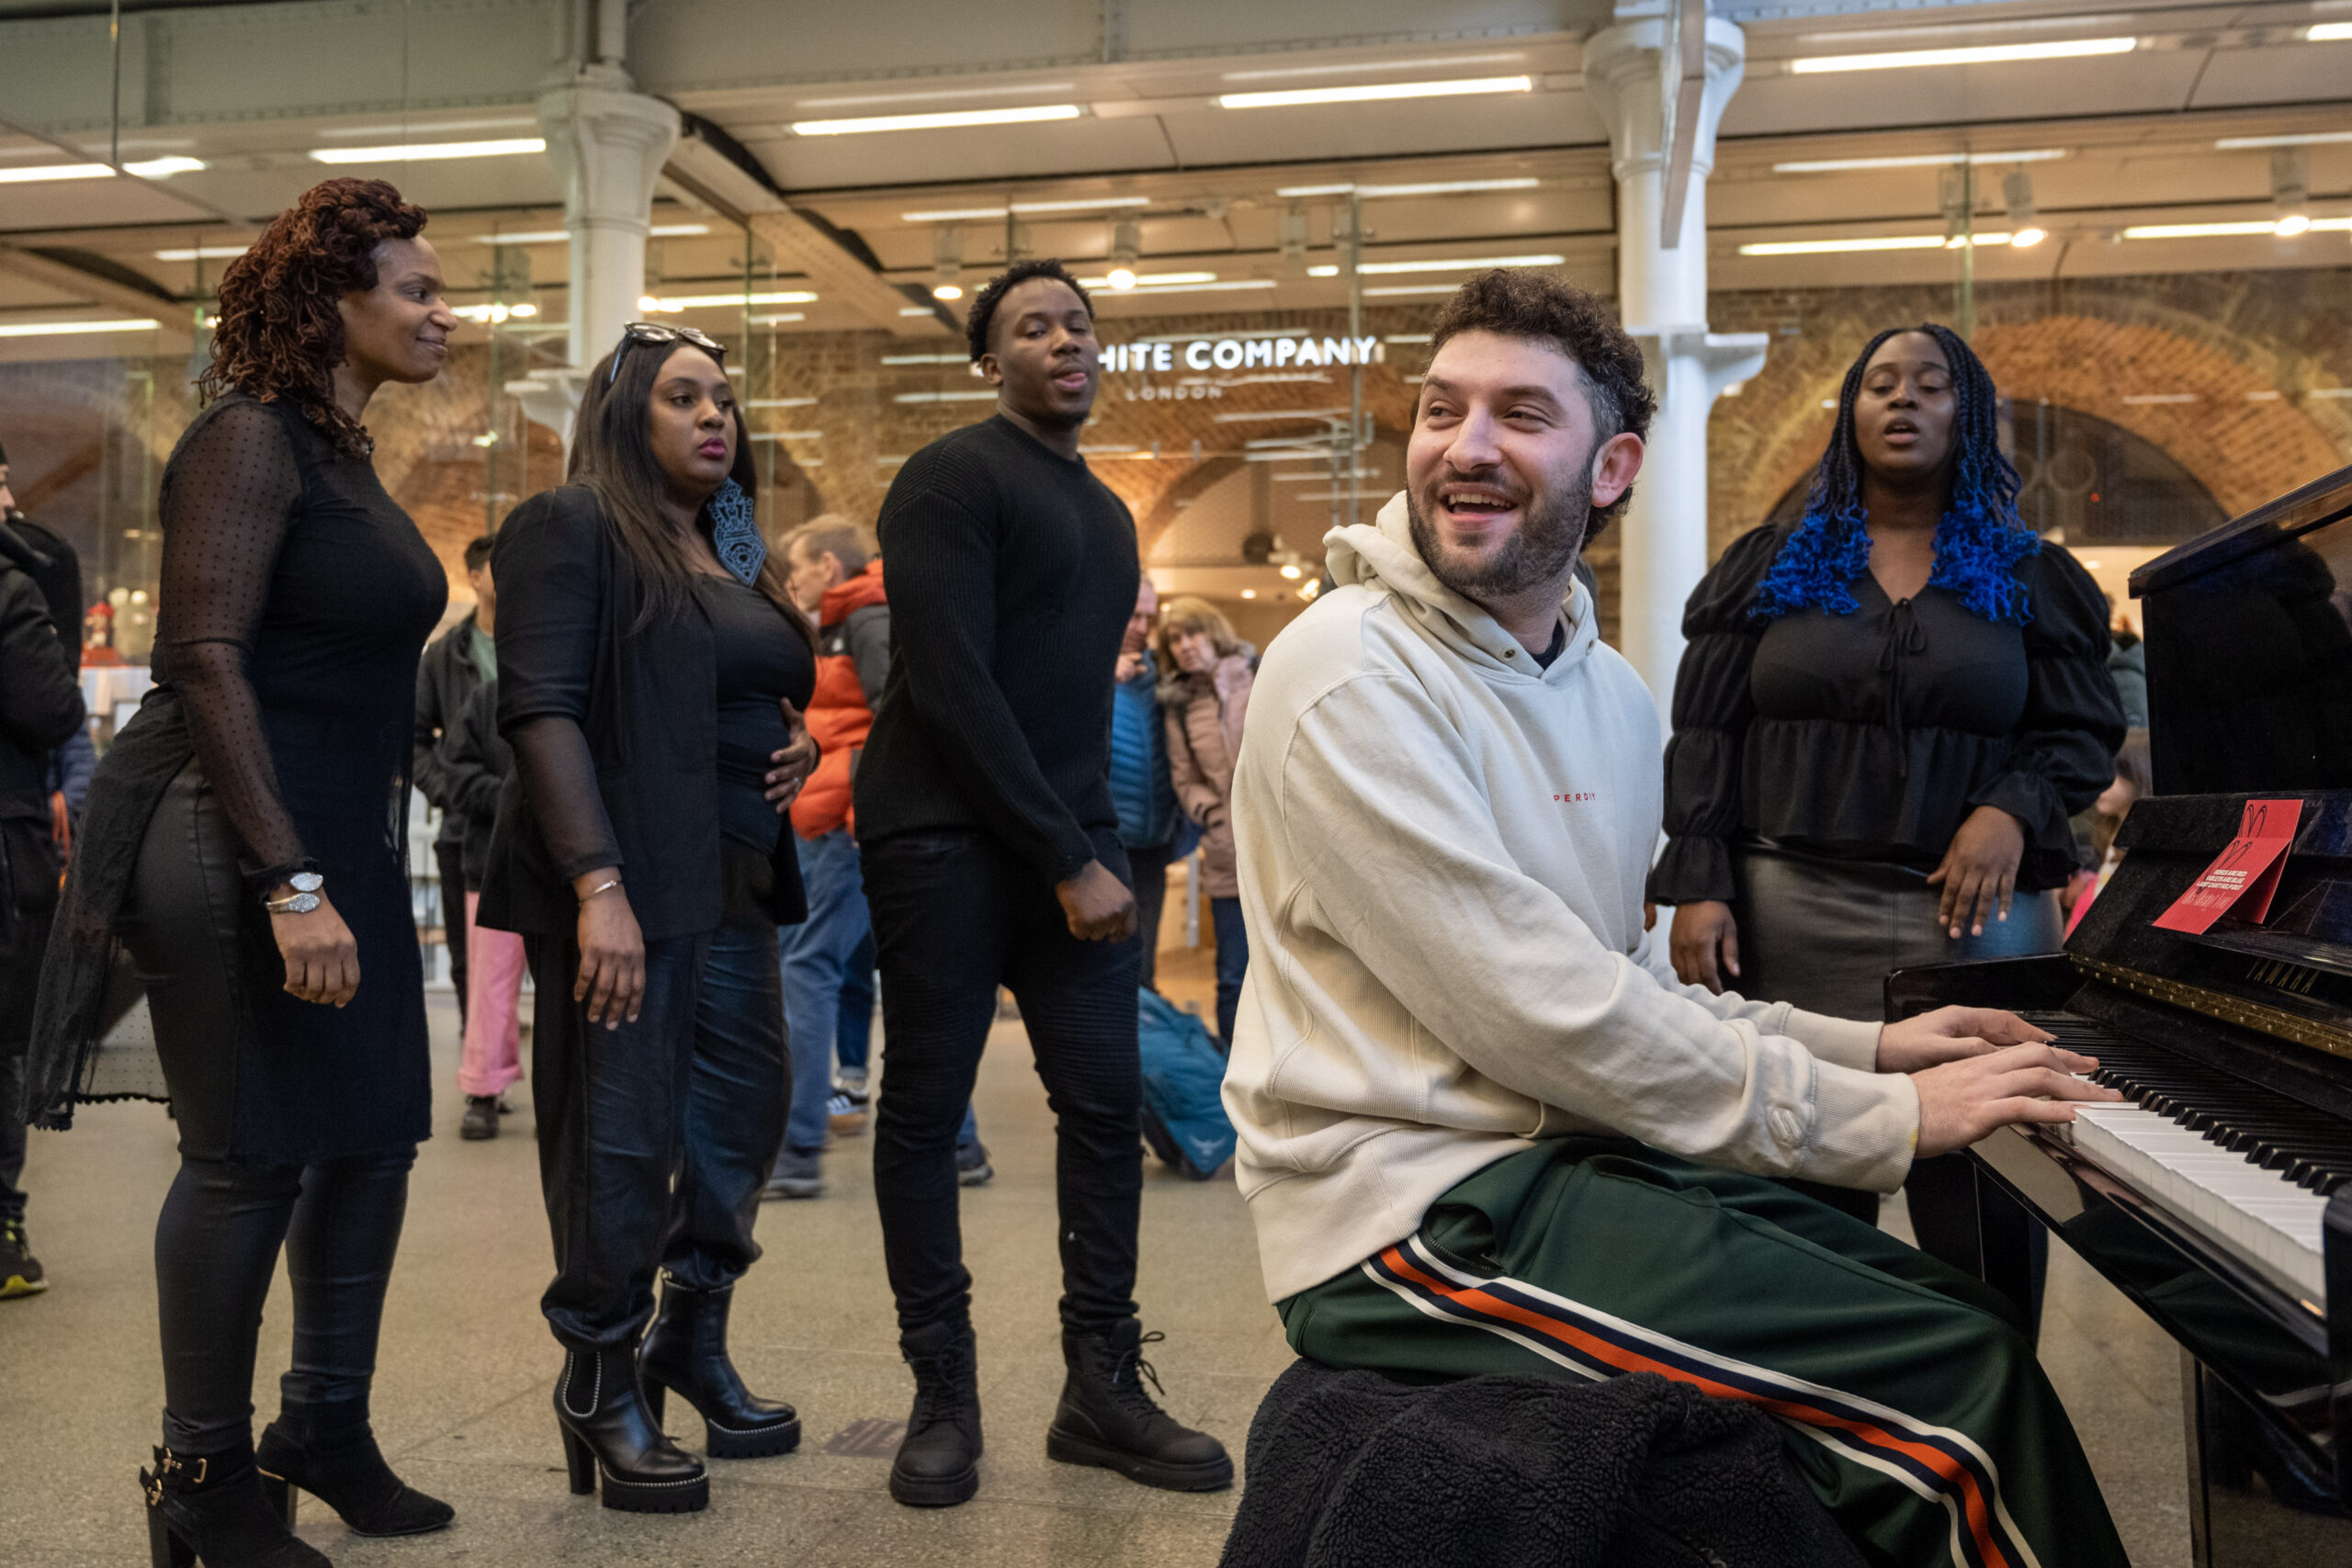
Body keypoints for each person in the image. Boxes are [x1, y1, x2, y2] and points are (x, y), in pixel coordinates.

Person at [1221, 268, 2131, 1568]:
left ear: (1613, 464)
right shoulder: (1347, 670)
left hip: (1557, 1162)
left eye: (1521, 415)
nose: (1465, 446)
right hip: (1407, 1219)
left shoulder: (1606, 686)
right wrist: (1887, 1120)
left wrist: (1871, 1050)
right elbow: (1545, 1010)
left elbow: (1631, 969)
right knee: (1963, 1380)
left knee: (1946, 1301)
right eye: (1440, 409)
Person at [27, 178, 460, 1566]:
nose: (444, 310)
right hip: (230, 831)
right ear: (333, 304)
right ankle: (202, 1478)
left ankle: (322, 1423)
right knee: (247, 1154)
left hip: (330, 832)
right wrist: (290, 881)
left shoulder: (341, 451)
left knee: (373, 1130)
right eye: (417, 288)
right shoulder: (247, 438)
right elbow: (204, 655)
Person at [854, 258, 1229, 1509]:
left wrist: (1101, 846)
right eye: (1034, 325)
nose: (1066, 339)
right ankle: (943, 1393)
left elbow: (1072, 705)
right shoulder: (950, 478)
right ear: (988, 358)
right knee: (923, 1109)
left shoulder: (1109, 512)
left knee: (1104, 1102)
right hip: (943, 839)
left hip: (1068, 847)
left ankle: (1100, 1387)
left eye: (1079, 322)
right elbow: (953, 685)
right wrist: (1067, 852)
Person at [1650, 324, 2123, 1230]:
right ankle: (1822, 1370)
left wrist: (2012, 810)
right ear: (1849, 414)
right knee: (1801, 1179)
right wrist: (1698, 883)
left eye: (1930, 385)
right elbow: (1707, 731)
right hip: (1791, 912)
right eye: (1879, 384)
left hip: (1975, 923)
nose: (1902, 399)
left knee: (1986, 1193)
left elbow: (2081, 729)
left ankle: (1987, 1370)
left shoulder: (2031, 573)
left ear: (1969, 415)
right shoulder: (1772, 564)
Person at [479, 321, 819, 1516]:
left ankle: (689, 1335)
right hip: (627, 882)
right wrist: (596, 885)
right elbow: (543, 711)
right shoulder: (573, 526)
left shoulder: (728, 539)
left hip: (731, 881)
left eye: (722, 397)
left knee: (741, 1123)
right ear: (627, 415)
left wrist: (801, 735)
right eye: (684, 397)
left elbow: (762, 676)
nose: (715, 415)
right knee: (618, 1141)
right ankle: (600, 1371)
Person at [769, 516, 888, 1200]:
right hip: (827, 822)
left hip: (845, 828)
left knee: (807, 968)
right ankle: (962, 1148)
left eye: (801, 566)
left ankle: (797, 1148)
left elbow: (892, 720)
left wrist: (859, 814)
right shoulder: (843, 622)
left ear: (829, 566)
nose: (793, 578)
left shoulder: (869, 620)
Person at [1, 451, 85, 1303]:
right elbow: (54, 709)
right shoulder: (16, 585)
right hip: (5, 837)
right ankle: (1, 1235)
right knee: (0, 1047)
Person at [1155, 596, 1255, 1045]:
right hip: (1225, 850)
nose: (1186, 646)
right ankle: (1234, 1075)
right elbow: (1185, 778)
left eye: (1192, 633)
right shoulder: (1178, 705)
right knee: (1232, 976)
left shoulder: (1259, 673)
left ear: (1213, 632)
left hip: (1284, 844)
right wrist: (1212, 813)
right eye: (1175, 640)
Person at [413, 535, 497, 1032]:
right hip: (466, 830)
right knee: (469, 954)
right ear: (475, 577)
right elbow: (413, 738)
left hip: (536, 825)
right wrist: (447, 789)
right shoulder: (445, 655)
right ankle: (480, 1074)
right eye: (499, 565)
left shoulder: (536, 646)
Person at [439, 678, 524, 1139]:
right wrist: (520, 796)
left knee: (569, 989)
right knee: (490, 984)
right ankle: (483, 1091)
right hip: (492, 863)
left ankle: (569, 1095)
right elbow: (458, 775)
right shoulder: (483, 699)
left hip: (569, 868)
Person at [1109, 578, 1182, 991]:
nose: (1142, 625)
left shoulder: (1163, 673)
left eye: (1150, 616)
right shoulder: (1083, 669)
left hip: (1154, 844)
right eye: (1134, 614)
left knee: (1144, 969)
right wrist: (1103, 677)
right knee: (1105, 968)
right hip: (1103, 847)